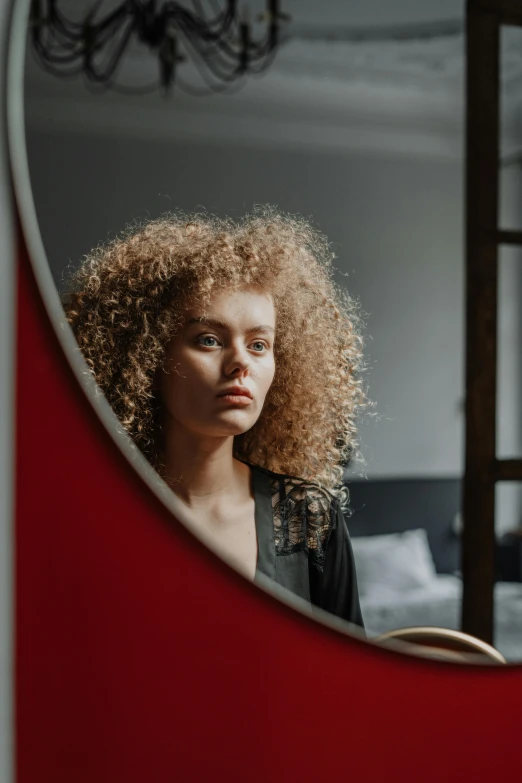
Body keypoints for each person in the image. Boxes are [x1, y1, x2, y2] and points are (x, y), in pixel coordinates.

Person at [64, 205, 368, 630]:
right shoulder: (88, 516)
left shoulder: (307, 517)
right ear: (147, 355)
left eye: (260, 345)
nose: (240, 362)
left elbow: (347, 685)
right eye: (209, 340)